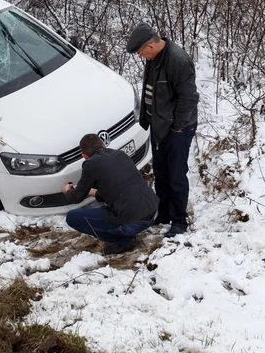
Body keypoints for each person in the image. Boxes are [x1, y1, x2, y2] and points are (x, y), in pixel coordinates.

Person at [126, 23, 198, 238]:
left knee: (176, 175)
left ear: (150, 45)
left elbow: (189, 98)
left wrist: (176, 126)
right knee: (161, 172)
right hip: (158, 126)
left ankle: (179, 221)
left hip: (177, 129)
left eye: (140, 52)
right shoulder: (154, 58)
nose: (140, 56)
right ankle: (164, 213)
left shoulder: (177, 60)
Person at [63, 133, 159, 255]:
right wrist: (93, 192)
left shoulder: (91, 164)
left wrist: (67, 191)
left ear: (84, 156)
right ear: (103, 144)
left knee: (72, 217)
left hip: (132, 224)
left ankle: (123, 241)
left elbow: (76, 197)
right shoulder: (120, 154)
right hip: (153, 212)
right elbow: (118, 190)